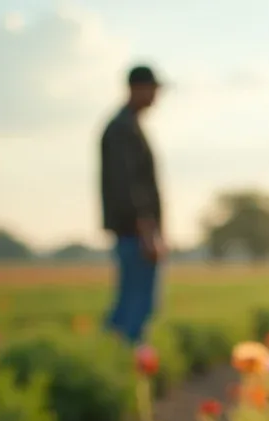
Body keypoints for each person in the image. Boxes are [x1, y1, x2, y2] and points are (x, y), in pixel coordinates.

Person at [100, 64, 166, 344]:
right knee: (135, 307)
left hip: (136, 231)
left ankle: (114, 356)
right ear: (136, 89)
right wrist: (148, 231)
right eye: (152, 89)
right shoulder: (122, 129)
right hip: (135, 232)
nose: (155, 96)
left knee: (133, 303)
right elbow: (128, 186)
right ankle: (121, 359)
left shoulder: (128, 126)